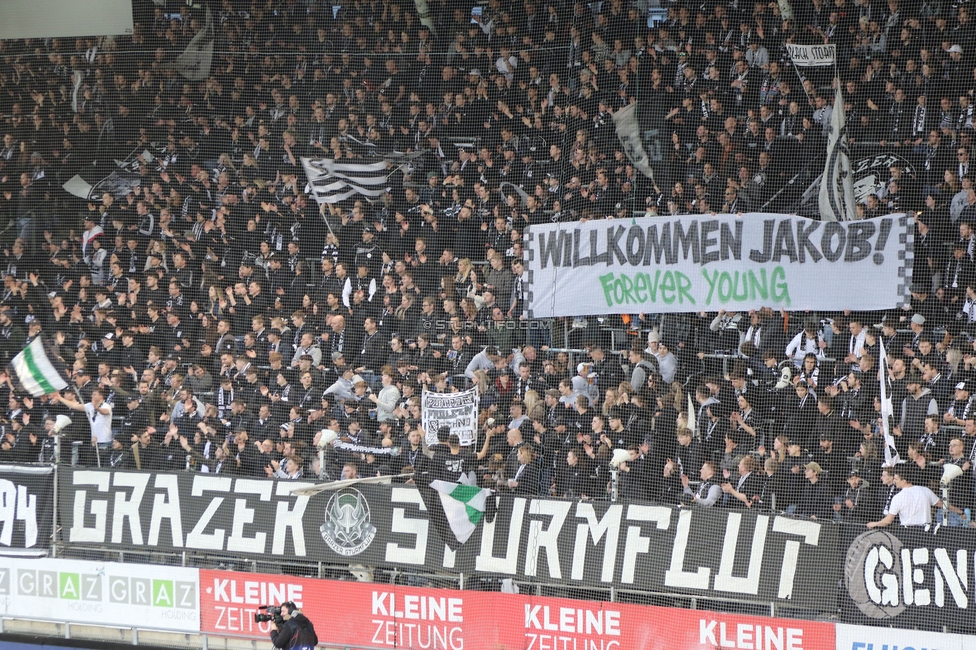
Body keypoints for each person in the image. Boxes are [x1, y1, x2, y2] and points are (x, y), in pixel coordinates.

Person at [52, 388, 113, 465]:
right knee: (92, 464)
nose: (92, 396)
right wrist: (60, 398)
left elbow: (105, 412)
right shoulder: (90, 406)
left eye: (94, 394)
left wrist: (97, 408)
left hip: (105, 441)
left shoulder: (106, 405)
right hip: (94, 441)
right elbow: (74, 405)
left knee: (103, 464)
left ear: (101, 396)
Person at [867, 467, 942, 528]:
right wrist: (954, 509)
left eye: (896, 479)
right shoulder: (925, 490)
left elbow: (888, 520)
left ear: (903, 481)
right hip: (926, 531)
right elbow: (941, 504)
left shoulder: (898, 497)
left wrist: (875, 524)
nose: (894, 481)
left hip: (908, 532)